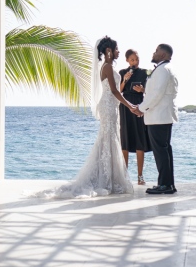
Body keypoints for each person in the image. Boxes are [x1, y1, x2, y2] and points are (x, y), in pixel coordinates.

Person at [38, 36, 134, 198]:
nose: (118, 51)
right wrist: (130, 106)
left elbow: (116, 90)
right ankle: (105, 178)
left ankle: (108, 176)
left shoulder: (108, 66)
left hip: (111, 106)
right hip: (108, 106)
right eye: (116, 49)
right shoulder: (108, 67)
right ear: (108, 50)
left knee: (109, 138)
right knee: (108, 138)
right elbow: (114, 91)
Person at [130, 43, 178, 195]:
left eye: (156, 51)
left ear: (163, 55)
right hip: (161, 116)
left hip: (159, 117)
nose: (154, 52)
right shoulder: (164, 69)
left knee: (161, 151)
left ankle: (164, 184)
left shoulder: (162, 70)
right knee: (164, 150)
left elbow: (156, 94)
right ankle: (168, 184)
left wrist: (141, 108)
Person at [118, 49, 151, 184]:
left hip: (138, 105)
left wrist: (142, 90)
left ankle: (140, 176)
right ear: (127, 60)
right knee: (125, 140)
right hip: (125, 107)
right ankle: (125, 177)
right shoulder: (121, 73)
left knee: (139, 140)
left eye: (137, 59)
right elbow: (118, 90)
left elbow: (151, 91)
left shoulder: (145, 73)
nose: (135, 62)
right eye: (132, 60)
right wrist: (125, 80)